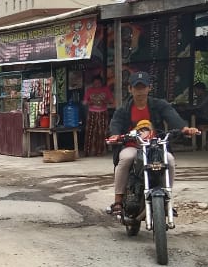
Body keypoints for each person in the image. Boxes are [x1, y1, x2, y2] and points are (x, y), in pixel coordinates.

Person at [105, 71, 198, 216]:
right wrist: (115, 135)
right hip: (132, 146)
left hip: (155, 146)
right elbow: (116, 122)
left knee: (170, 161)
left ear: (149, 88)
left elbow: (171, 115)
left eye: (143, 87)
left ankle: (167, 199)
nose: (140, 91)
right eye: (137, 88)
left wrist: (184, 128)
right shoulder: (124, 109)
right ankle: (118, 201)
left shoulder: (158, 105)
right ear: (130, 89)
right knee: (125, 159)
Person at [82, 75, 113, 156]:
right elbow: (84, 102)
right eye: (95, 83)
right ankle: (87, 151)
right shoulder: (89, 90)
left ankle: (100, 151)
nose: (97, 85)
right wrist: (90, 102)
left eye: (98, 83)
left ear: (101, 83)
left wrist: (104, 101)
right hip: (92, 112)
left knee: (102, 132)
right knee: (90, 131)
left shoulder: (105, 89)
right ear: (93, 83)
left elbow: (111, 101)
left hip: (103, 112)